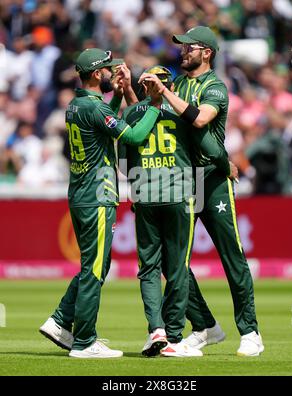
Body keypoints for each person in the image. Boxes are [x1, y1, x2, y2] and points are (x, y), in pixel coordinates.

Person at [139, 26, 264, 357]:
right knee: (172, 260)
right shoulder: (178, 84)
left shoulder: (216, 86)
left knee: (231, 255)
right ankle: (205, 325)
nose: (183, 52)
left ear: (206, 52)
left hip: (212, 180)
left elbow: (200, 120)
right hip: (181, 180)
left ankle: (251, 331)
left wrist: (165, 93)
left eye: (189, 47)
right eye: (181, 47)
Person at [39, 48, 162, 358]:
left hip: (80, 194)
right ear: (96, 74)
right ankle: (83, 341)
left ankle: (59, 321)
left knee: (94, 265)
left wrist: (119, 95)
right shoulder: (95, 109)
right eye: (107, 69)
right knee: (94, 269)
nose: (111, 72)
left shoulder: (76, 105)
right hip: (97, 196)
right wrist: (155, 107)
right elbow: (132, 137)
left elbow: (104, 127)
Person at [122, 65, 234, 358]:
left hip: (144, 195)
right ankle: (173, 336)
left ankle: (155, 330)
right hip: (181, 194)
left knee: (148, 268)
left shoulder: (131, 114)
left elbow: (123, 164)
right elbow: (211, 147)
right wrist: (228, 166)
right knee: (177, 268)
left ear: (146, 86)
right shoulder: (182, 113)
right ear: (170, 86)